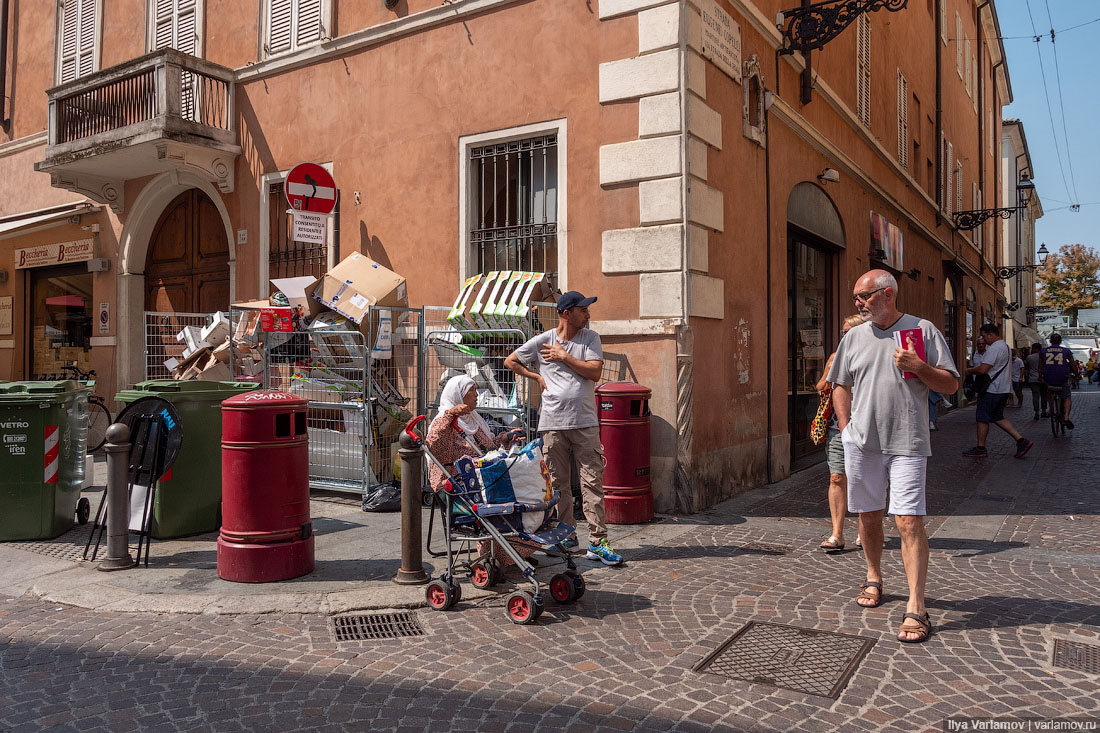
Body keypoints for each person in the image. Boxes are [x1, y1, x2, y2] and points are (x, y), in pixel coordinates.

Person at [828, 270, 960, 644]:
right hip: (862, 443)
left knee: (907, 521)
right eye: (856, 297)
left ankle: (916, 607)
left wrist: (919, 367)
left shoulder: (922, 330)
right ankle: (874, 576)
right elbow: (840, 385)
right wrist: (846, 427)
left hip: (907, 443)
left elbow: (951, 384)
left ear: (887, 294)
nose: (858, 303)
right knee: (868, 516)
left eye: (864, 297)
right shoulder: (854, 336)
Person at [504, 291, 623, 566]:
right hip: (553, 423)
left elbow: (594, 372)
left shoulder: (590, 338)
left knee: (591, 482)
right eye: (583, 310)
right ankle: (568, 534)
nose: (588, 315)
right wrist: (536, 376)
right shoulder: (542, 341)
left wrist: (564, 356)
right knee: (558, 485)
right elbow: (510, 361)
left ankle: (598, 541)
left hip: (585, 422)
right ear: (566, 313)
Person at [425, 376, 530, 566]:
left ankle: (516, 552)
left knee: (525, 490)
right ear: (458, 395)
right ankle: (502, 553)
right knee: (508, 497)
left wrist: (506, 438)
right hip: (458, 487)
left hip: (485, 479)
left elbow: (488, 449)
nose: (476, 395)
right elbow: (434, 446)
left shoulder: (474, 420)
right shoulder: (443, 422)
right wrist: (450, 414)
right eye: (471, 391)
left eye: (475, 390)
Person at [815, 314, 865, 553]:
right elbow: (821, 387)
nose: (844, 336)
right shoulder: (836, 357)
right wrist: (830, 370)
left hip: (867, 429)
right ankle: (837, 533)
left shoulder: (872, 356)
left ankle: (866, 531)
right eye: (843, 332)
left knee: (863, 480)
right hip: (837, 428)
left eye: (848, 332)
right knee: (836, 477)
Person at [962, 324, 1033, 458]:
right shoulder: (1005, 346)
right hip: (1003, 388)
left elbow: (983, 369)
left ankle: (981, 447)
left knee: (982, 418)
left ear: (990, 334)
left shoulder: (994, 348)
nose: (983, 339)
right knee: (997, 417)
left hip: (992, 389)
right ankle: (1021, 441)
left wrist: (968, 371)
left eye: (984, 336)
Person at [1041, 332, 1077, 429]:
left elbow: (1040, 365)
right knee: (1067, 396)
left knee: (1049, 390)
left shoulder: (1043, 351)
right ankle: (1066, 417)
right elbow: (1073, 364)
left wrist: (1040, 376)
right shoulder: (1066, 351)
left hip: (1048, 377)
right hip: (1062, 377)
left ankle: (1050, 408)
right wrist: (1076, 374)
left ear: (1050, 341)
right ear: (1060, 341)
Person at [1024, 343, 1047, 420]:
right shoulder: (1045, 357)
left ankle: (1036, 413)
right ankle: (1044, 411)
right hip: (1043, 379)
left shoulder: (1029, 357)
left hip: (1033, 379)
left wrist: (1026, 378)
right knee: (1044, 395)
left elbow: (1027, 368)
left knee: (1035, 396)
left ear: (1034, 348)